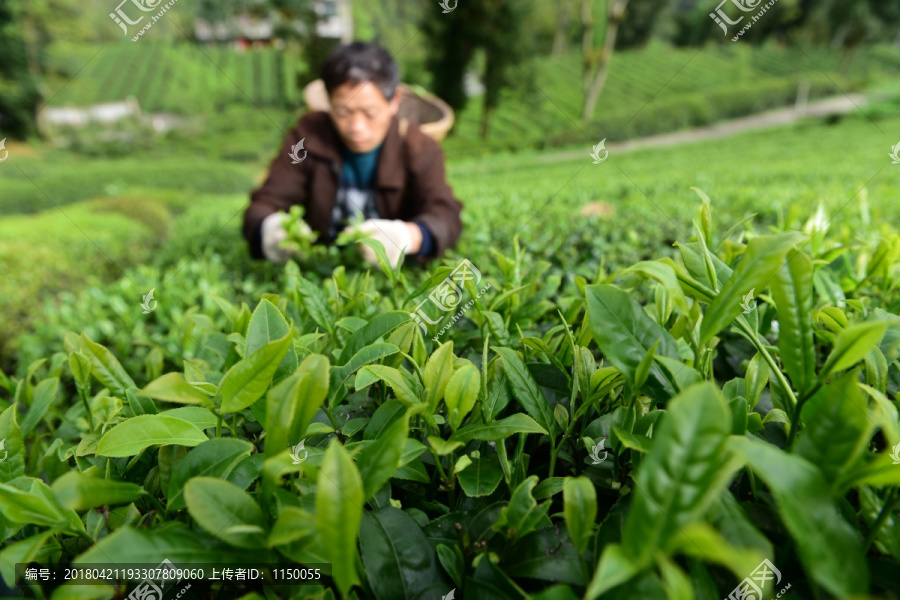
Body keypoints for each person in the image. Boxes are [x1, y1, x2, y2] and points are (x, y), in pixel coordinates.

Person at [242, 41, 463, 268]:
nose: (356, 127)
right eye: (343, 112)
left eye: (370, 113)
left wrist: (408, 237)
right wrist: (271, 229)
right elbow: (264, 203)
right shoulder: (307, 135)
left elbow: (446, 215)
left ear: (394, 101)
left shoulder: (418, 146)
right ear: (328, 101)